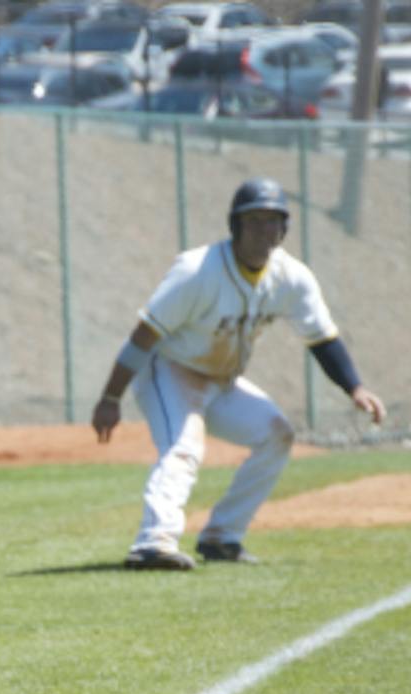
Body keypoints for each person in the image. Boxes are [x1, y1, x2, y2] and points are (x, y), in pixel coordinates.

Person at [92, 177, 386, 570]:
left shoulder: (291, 277)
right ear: (236, 226)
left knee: (276, 434)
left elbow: (321, 339)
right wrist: (111, 397)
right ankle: (153, 542)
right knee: (183, 448)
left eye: (274, 221)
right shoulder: (198, 270)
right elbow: (144, 335)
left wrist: (355, 387)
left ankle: (222, 537)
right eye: (255, 221)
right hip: (170, 371)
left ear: (285, 229)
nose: (265, 231)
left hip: (221, 380)